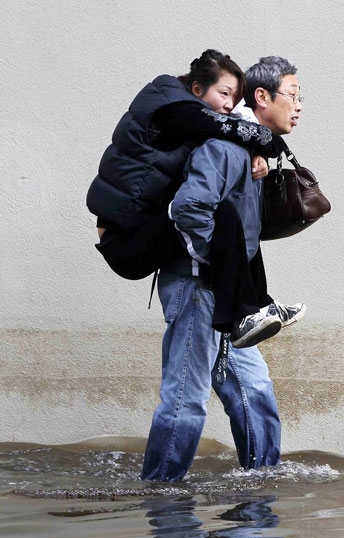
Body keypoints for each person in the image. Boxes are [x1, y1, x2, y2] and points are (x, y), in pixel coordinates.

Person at [140, 56, 305, 481]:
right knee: (186, 398)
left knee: (254, 390)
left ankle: (260, 487)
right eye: (293, 95)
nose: (299, 106)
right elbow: (189, 208)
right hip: (199, 286)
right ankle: (159, 496)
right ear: (262, 98)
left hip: (227, 297)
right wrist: (215, 267)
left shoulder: (249, 150)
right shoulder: (226, 147)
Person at [88, 50, 303, 348]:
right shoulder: (170, 106)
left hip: (144, 226)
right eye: (224, 93)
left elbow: (222, 126)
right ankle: (243, 313)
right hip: (124, 240)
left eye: (234, 97)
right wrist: (265, 140)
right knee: (224, 215)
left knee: (232, 214)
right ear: (197, 88)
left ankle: (258, 303)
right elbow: (219, 125)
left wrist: (257, 151)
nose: (229, 104)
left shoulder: (194, 120)